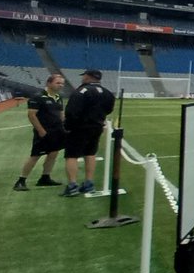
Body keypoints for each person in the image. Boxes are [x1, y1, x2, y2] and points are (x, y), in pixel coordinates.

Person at [61, 69, 116, 197]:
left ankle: (72, 185)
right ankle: (88, 183)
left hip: (79, 127)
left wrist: (68, 126)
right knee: (90, 153)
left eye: (84, 76)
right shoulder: (107, 92)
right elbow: (109, 109)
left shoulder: (81, 91)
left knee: (71, 155)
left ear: (88, 77)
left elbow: (71, 111)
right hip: (97, 126)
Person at [12, 73, 67, 191]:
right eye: (58, 83)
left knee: (53, 154)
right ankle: (21, 181)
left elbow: (61, 114)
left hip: (57, 131)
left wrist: (64, 126)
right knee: (35, 156)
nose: (60, 85)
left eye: (62, 83)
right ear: (49, 83)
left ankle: (45, 177)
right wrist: (41, 131)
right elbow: (31, 115)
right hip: (44, 132)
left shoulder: (58, 97)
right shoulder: (38, 97)